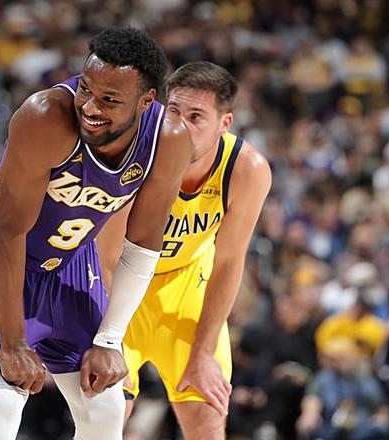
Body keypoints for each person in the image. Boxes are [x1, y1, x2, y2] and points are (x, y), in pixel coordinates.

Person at [0, 27, 192, 440]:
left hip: (69, 255)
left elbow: (144, 245)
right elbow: (7, 232)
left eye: (109, 100)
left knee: (105, 405)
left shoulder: (168, 140)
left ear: (147, 100)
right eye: (86, 89)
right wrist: (13, 343)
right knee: (2, 393)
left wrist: (109, 340)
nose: (90, 107)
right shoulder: (45, 117)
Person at [97, 61, 272, 439]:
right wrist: (107, 339)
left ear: (224, 123)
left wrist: (204, 353)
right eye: (174, 111)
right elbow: (105, 257)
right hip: (121, 289)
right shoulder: (133, 155)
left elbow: (229, 262)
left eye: (197, 117)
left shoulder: (247, 169)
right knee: (106, 416)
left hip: (186, 289)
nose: (181, 124)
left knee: (207, 416)